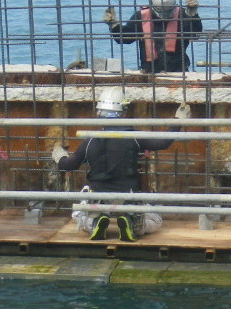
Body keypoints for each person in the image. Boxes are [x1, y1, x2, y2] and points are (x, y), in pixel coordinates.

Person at [51, 86, 189, 242]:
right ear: (123, 113)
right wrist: (179, 120)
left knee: (79, 215)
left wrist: (59, 155)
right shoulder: (133, 137)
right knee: (156, 218)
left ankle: (94, 222)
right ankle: (133, 223)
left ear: (99, 113)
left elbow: (69, 165)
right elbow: (163, 142)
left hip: (98, 197)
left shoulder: (90, 140)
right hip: (127, 195)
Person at [103, 0, 203, 73]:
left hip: (178, 70)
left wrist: (192, 16)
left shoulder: (182, 15)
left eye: (168, 12)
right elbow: (125, 38)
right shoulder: (141, 17)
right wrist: (114, 26)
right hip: (150, 71)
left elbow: (195, 34)